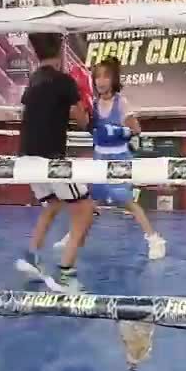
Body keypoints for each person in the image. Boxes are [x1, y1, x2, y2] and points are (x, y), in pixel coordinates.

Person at [56, 57, 166, 260]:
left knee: (126, 201)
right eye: (97, 77)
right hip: (100, 156)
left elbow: (136, 130)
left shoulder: (121, 103)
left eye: (105, 76)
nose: (101, 81)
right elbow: (89, 128)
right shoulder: (93, 104)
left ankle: (155, 240)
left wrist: (116, 131)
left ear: (113, 79)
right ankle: (74, 235)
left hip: (119, 157)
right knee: (90, 201)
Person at [16, 32, 94, 292]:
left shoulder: (33, 81)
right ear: (61, 50)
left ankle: (31, 256)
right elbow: (82, 120)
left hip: (27, 157)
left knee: (53, 203)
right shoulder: (64, 81)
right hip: (51, 159)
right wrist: (83, 100)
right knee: (85, 209)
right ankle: (65, 275)